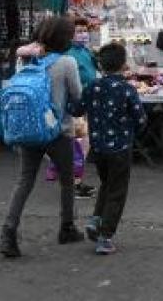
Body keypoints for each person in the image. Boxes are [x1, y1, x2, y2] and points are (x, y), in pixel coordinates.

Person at [0, 17, 84, 258]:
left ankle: (8, 232)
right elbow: (77, 96)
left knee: (25, 181)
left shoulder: (25, 59)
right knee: (67, 180)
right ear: (64, 39)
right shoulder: (67, 62)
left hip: (28, 129)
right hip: (58, 131)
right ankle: (67, 227)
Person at [74, 43, 146, 255]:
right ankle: (105, 236)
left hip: (98, 149)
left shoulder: (92, 87)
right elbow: (141, 119)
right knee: (117, 191)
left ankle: (96, 220)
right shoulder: (126, 89)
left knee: (107, 184)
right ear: (124, 64)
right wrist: (132, 130)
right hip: (120, 149)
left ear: (100, 64)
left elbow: (76, 109)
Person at [66, 17, 98, 199]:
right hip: (76, 104)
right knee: (79, 144)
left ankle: (76, 181)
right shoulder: (69, 54)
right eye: (78, 31)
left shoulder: (86, 52)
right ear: (70, 35)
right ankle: (74, 184)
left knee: (83, 144)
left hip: (88, 102)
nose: (83, 34)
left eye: (85, 31)